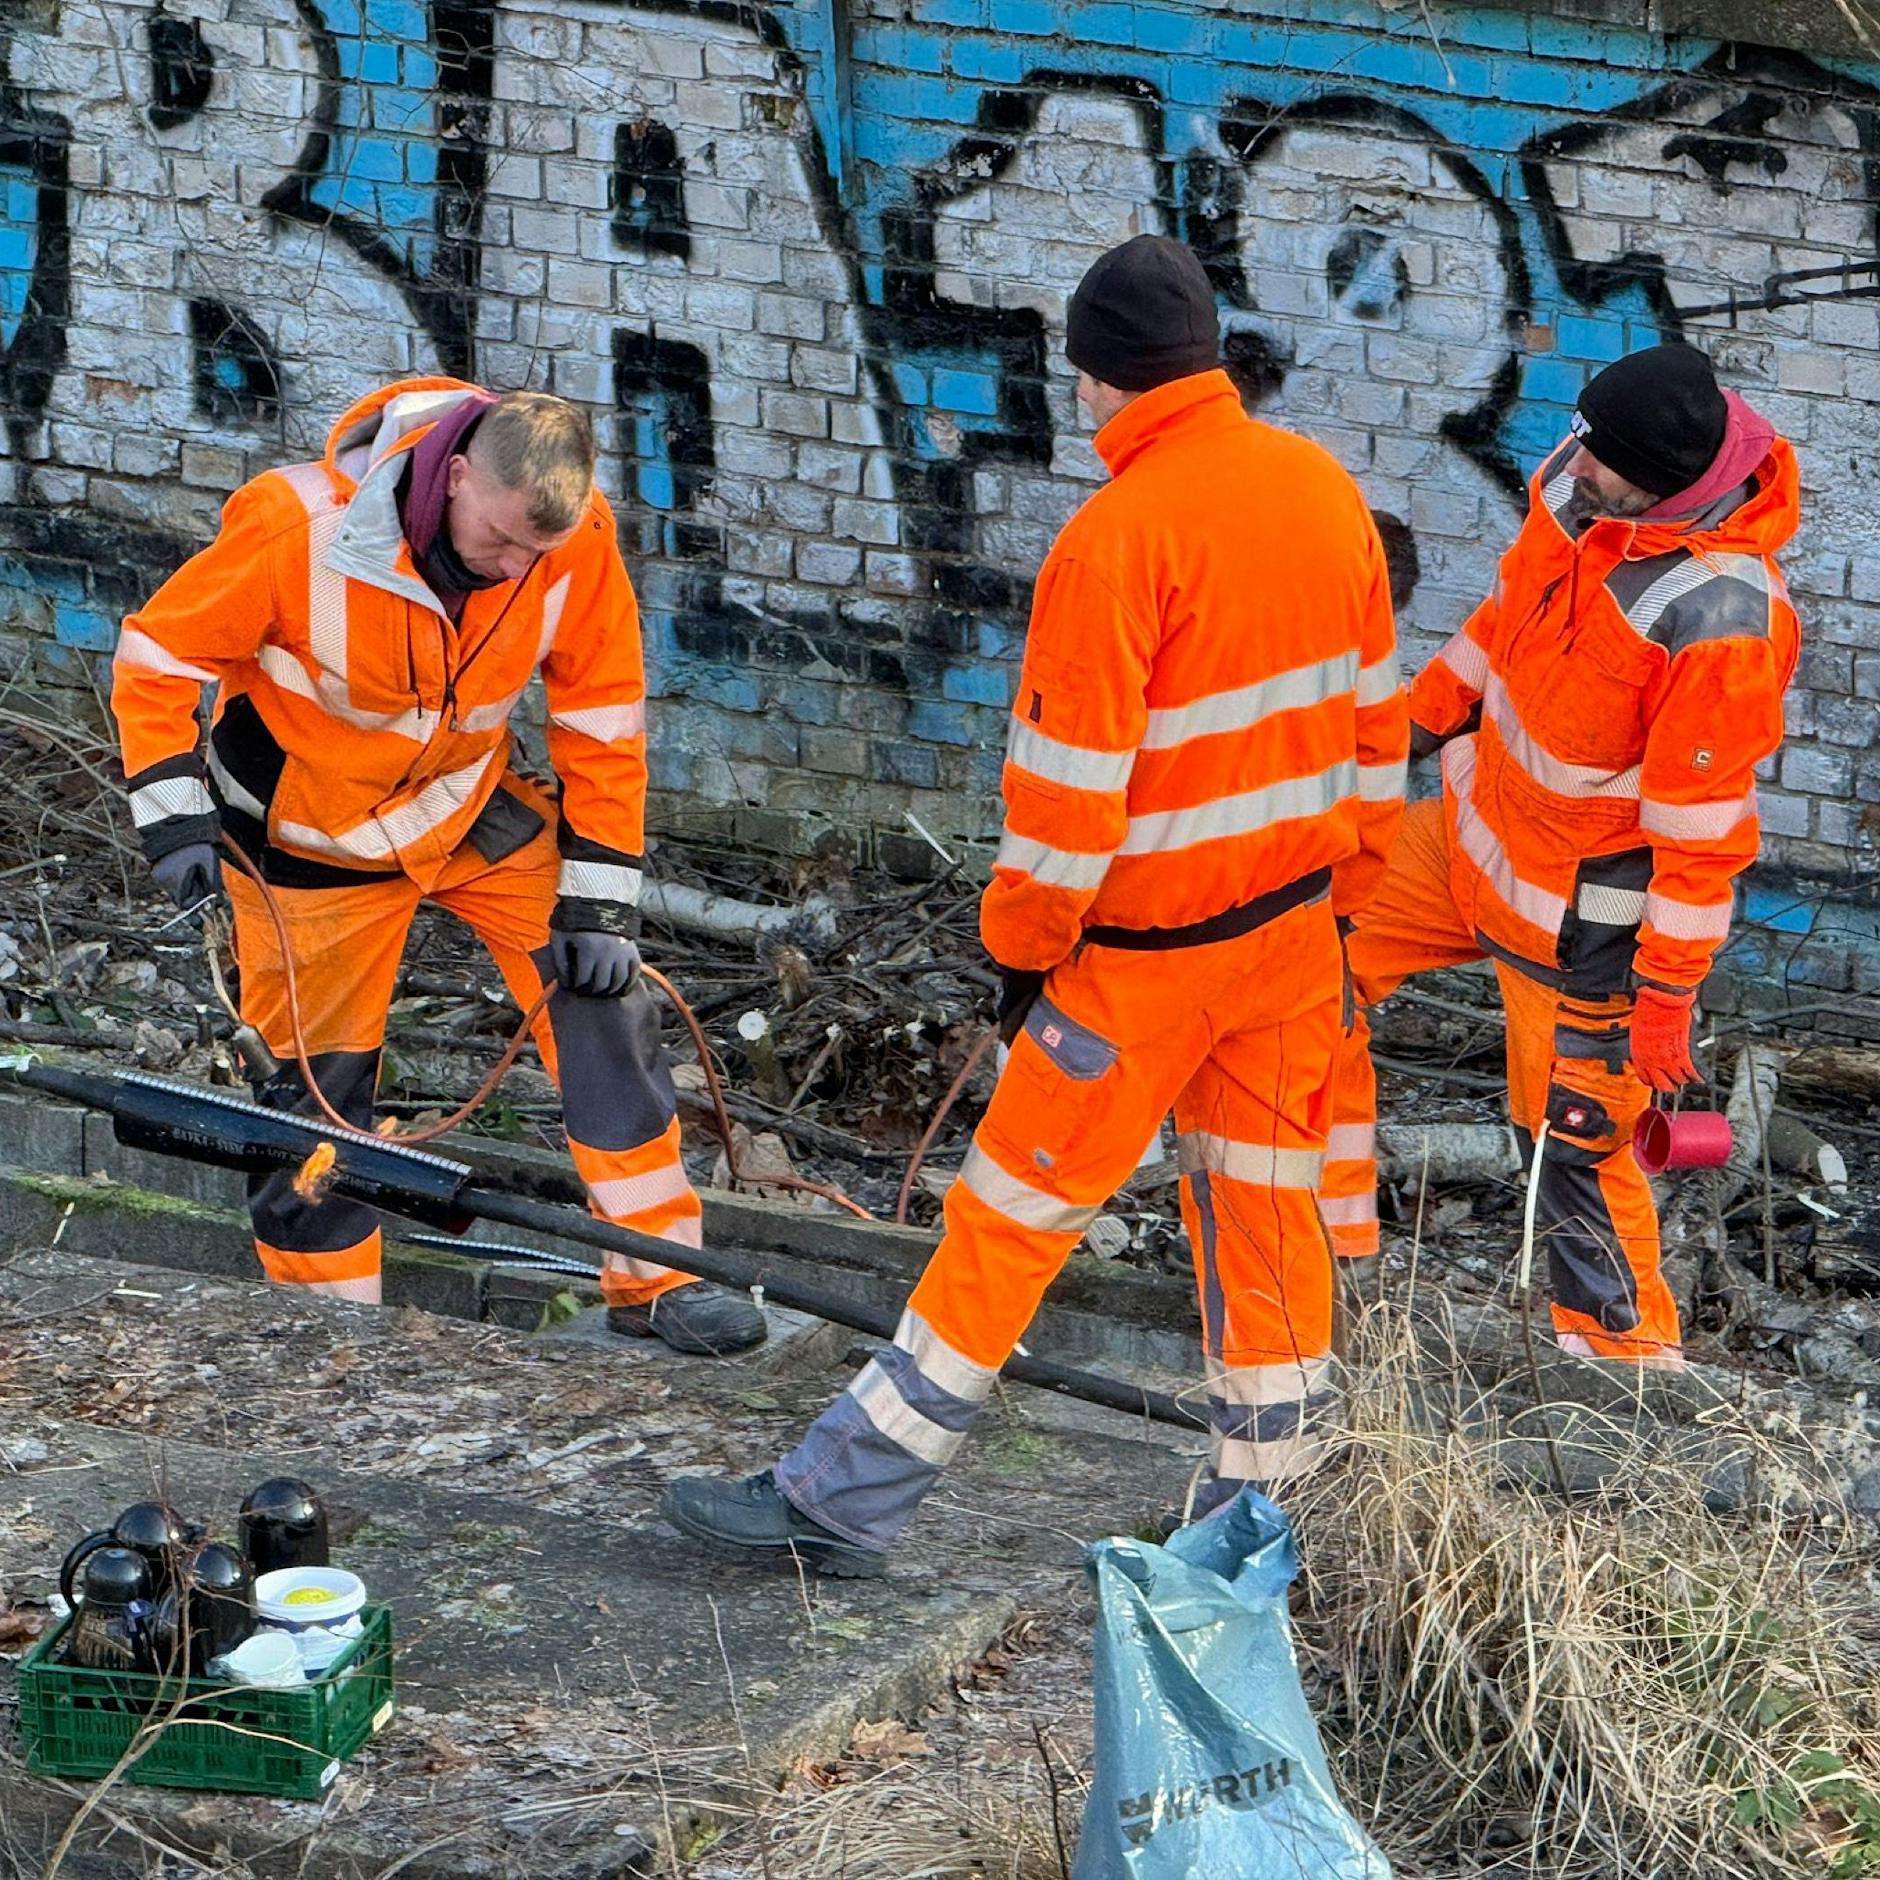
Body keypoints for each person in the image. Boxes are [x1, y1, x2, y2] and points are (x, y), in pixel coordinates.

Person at [663, 235, 1408, 1575]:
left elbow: (1066, 808)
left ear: (1090, 379)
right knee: (1269, 1229)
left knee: (1008, 1221)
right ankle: (1261, 1529)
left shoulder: (1115, 541)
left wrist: (1020, 958)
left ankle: (842, 1500)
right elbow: (1376, 735)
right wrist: (1332, 907)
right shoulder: (1321, 491)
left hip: (1141, 967)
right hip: (1294, 942)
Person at [110, 380, 766, 1355]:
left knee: (603, 1000)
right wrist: (175, 824)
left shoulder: (565, 539)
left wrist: (601, 904)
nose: (513, 568)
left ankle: (658, 1278)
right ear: (452, 475)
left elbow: (603, 715)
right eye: (500, 542)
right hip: (308, 844)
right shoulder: (298, 530)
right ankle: (333, 1342)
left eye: (533, 553)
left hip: (461, 812)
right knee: (313, 1106)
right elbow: (155, 657)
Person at [1315, 343, 1801, 1365]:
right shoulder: (1577, 502)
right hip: (1466, 840)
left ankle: (1625, 1376)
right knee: (1306, 970)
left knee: (1573, 1143)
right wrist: (1418, 719)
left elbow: (1700, 838)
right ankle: (1323, 1247)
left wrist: (1665, 990)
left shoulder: (1719, 625)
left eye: (1598, 455)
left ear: (1663, 484)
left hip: (1580, 926)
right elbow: (1501, 623)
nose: (1571, 462)